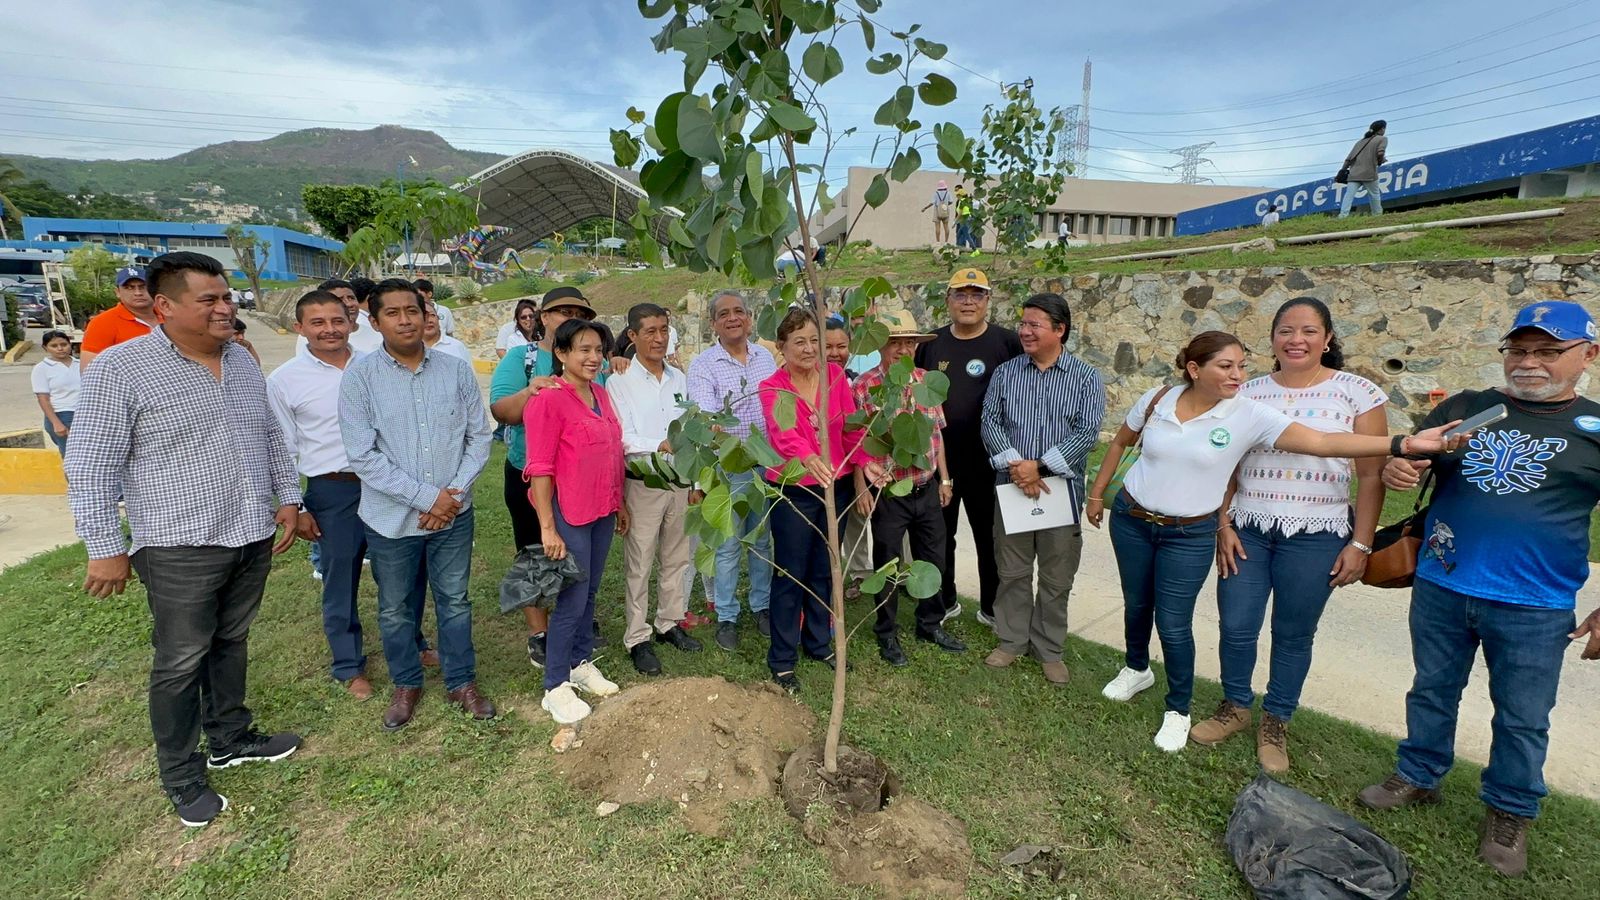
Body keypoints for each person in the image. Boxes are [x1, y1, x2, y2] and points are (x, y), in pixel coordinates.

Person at [1085, 331, 1465, 753]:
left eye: (1243, 365)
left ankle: (1179, 709)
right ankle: (1137, 668)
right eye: (1226, 366)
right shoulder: (1158, 399)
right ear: (1195, 370)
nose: (1239, 375)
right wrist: (1098, 494)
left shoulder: (1248, 413)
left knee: (1174, 623)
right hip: (1133, 519)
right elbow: (1121, 441)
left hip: (1190, 533)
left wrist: (1404, 443)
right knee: (1139, 605)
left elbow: (1322, 443)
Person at [1359, 300, 1600, 878]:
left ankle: (1510, 811)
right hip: (1443, 583)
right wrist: (1400, 470)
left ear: (1588, 355)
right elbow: (1412, 466)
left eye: (1548, 351)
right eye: (1519, 350)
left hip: (1537, 603)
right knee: (1432, 689)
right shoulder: (1471, 408)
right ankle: (1418, 775)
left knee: (1522, 715)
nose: (1529, 362)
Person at [66, 251, 303, 828]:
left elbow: (270, 435)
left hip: (249, 531)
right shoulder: (120, 369)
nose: (226, 308)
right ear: (165, 305)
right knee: (179, 661)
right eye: (211, 300)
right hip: (178, 544)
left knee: (232, 640)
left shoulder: (242, 363)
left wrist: (288, 498)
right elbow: (90, 464)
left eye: (227, 297)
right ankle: (181, 774)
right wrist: (104, 546)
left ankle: (230, 736)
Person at [1196, 297, 1387, 773]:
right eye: (1285, 330)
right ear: (1273, 338)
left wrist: (1360, 544)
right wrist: (1223, 523)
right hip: (1248, 530)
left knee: (1294, 633)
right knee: (1236, 624)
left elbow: (1370, 476)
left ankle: (1276, 721)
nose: (1295, 340)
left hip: (1318, 534)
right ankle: (1235, 706)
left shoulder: (1358, 393)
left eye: (1307, 331)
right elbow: (1226, 464)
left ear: (1327, 338)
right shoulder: (1246, 392)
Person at [340, 279, 494, 731]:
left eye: (414, 310)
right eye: (394, 313)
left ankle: (461, 682)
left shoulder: (455, 370)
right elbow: (362, 455)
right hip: (391, 519)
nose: (406, 320)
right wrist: (430, 498)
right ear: (375, 321)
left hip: (454, 515)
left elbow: (478, 436)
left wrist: (454, 496)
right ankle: (406, 683)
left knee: (456, 601)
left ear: (428, 314)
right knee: (395, 607)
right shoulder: (361, 376)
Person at [269, 290, 436, 700]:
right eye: (318, 323)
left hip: (389, 484)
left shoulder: (378, 366)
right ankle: (349, 663)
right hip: (333, 490)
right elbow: (281, 447)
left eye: (337, 320)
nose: (329, 329)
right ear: (300, 328)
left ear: (352, 321)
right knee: (339, 577)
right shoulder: (285, 380)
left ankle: (412, 640)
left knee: (403, 570)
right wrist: (298, 503)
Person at [979, 293, 1105, 683]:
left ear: (1059, 329)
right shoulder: (1007, 372)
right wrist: (1018, 467)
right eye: (1023, 323)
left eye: (1034, 324)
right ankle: (1011, 640)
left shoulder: (1086, 377)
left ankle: (1049, 648)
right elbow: (990, 422)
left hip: (1059, 492)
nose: (1025, 331)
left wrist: (1041, 466)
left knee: (1056, 575)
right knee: (1013, 570)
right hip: (1012, 487)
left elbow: (1087, 432)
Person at [759, 307, 878, 694]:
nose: (809, 349)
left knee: (825, 569)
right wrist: (807, 455)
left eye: (815, 341)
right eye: (800, 342)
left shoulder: (834, 376)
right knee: (790, 572)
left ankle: (818, 643)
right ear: (782, 347)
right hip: (795, 488)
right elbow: (782, 434)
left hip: (835, 486)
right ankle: (781, 659)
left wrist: (861, 467)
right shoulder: (772, 386)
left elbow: (849, 429)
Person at [489, 286, 600, 667]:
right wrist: (529, 392)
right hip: (529, 472)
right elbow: (501, 410)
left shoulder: (592, 363)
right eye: (561, 311)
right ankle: (539, 631)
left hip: (578, 481)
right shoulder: (523, 358)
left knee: (576, 552)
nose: (571, 317)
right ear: (543, 317)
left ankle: (575, 617)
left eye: (580, 314)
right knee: (536, 550)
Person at [525, 318, 628, 724]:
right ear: (562, 354)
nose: (593, 357)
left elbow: (611, 452)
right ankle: (555, 685)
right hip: (570, 514)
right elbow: (541, 468)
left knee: (589, 592)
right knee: (571, 597)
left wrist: (619, 502)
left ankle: (580, 662)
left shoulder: (600, 393)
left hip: (601, 510)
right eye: (583, 350)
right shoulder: (549, 399)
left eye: (598, 350)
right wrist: (548, 526)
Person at [852, 310, 963, 666]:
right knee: (887, 564)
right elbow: (855, 444)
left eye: (909, 342)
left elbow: (937, 433)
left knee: (934, 558)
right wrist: (862, 487)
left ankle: (929, 623)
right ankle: (886, 632)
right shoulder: (866, 386)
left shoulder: (926, 382)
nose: (903, 349)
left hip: (925, 486)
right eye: (895, 342)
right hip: (889, 489)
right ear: (882, 345)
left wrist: (944, 478)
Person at [915, 268, 1022, 627]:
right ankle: (944, 601)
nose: (968, 301)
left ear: (988, 301)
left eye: (977, 295)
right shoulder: (930, 344)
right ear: (948, 300)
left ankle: (992, 607)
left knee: (990, 539)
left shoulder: (1007, 343)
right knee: (939, 537)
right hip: (939, 464)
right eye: (961, 294)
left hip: (989, 463)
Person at [609, 303, 704, 675]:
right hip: (644, 483)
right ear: (632, 336)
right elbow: (624, 437)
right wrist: (661, 444)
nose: (659, 338)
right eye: (649, 331)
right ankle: (637, 636)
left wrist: (694, 482)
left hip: (680, 483)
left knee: (677, 557)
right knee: (640, 562)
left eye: (663, 329)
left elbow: (692, 433)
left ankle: (668, 622)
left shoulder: (679, 380)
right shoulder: (619, 382)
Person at [686, 290, 778, 650]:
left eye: (739, 311)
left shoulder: (765, 358)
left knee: (761, 543)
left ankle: (762, 606)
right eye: (724, 314)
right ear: (713, 324)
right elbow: (710, 422)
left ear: (750, 318)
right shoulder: (704, 365)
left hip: (765, 467)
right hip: (728, 468)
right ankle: (727, 615)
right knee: (726, 547)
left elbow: (774, 409)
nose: (733, 318)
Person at [79, 265, 155, 370]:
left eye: (142, 286)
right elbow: (89, 369)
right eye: (129, 288)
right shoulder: (102, 323)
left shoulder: (169, 315)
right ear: (118, 292)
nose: (138, 293)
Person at [299, 279, 382, 354]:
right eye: (340, 299)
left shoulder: (377, 334)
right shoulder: (310, 336)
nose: (349, 304)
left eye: (351, 298)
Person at [30, 329, 79, 456]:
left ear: (70, 344)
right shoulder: (42, 368)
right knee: (72, 458)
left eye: (63, 344)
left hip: (86, 414)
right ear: (45, 348)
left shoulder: (80, 363)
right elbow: (43, 398)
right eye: (54, 346)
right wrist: (56, 423)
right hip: (62, 415)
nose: (60, 349)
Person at [1338, 119, 1388, 218]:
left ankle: (1343, 215)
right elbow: (1380, 153)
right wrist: (1381, 161)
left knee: (1349, 195)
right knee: (1374, 194)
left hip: (1354, 173)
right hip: (1369, 173)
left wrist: (1342, 171)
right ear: (1382, 129)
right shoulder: (1382, 139)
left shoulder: (1359, 142)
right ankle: (1377, 215)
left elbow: (1348, 160)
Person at [423, 300, 473, 365]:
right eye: (423, 316)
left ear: (438, 319)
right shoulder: (408, 351)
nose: (429, 320)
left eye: (432, 315)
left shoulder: (457, 347)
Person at [923, 179, 954, 244]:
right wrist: (945, 205)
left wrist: (925, 208)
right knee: (946, 226)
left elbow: (932, 203)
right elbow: (951, 201)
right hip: (945, 211)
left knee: (937, 227)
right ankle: (946, 242)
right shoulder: (948, 193)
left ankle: (938, 241)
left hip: (937, 211)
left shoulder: (936, 193)